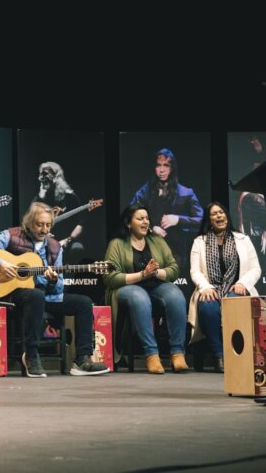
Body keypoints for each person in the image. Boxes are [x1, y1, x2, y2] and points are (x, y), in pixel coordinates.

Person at [0, 202, 110, 378]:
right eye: (39, 224)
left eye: (48, 225)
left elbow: (58, 289)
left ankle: (82, 359)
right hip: (15, 296)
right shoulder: (11, 236)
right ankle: (31, 354)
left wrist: (54, 280)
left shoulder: (56, 247)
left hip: (45, 297)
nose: (44, 229)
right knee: (36, 295)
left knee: (83, 303)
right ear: (29, 222)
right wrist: (0, 263)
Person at [103, 203, 188, 374]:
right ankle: (152, 355)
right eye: (140, 218)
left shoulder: (157, 241)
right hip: (127, 287)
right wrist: (142, 275)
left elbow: (173, 269)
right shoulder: (117, 244)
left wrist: (155, 272)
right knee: (139, 296)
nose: (145, 222)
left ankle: (178, 353)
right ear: (128, 223)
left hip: (155, 285)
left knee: (176, 295)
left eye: (147, 218)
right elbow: (110, 278)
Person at [189, 202, 260, 373]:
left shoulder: (243, 239)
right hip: (210, 288)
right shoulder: (200, 241)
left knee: (234, 303)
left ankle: (237, 352)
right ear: (209, 219)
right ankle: (219, 354)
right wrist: (205, 287)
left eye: (221, 212)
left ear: (227, 216)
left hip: (237, 288)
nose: (219, 216)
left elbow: (255, 268)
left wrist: (243, 283)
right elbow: (195, 270)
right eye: (214, 214)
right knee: (207, 306)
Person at [129, 148, 203, 277]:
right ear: (154, 167)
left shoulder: (185, 192)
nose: (162, 170)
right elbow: (130, 216)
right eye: (158, 165)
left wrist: (178, 219)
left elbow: (202, 218)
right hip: (149, 252)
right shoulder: (145, 192)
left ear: (172, 168)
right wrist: (151, 228)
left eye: (166, 165)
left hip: (176, 253)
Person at [34, 161, 87, 262]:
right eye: (40, 174)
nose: (40, 178)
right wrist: (42, 234)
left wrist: (68, 239)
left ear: (56, 176)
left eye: (44, 174)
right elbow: (30, 222)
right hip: (45, 239)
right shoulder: (38, 198)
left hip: (68, 239)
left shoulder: (70, 197)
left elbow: (82, 222)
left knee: (77, 249)